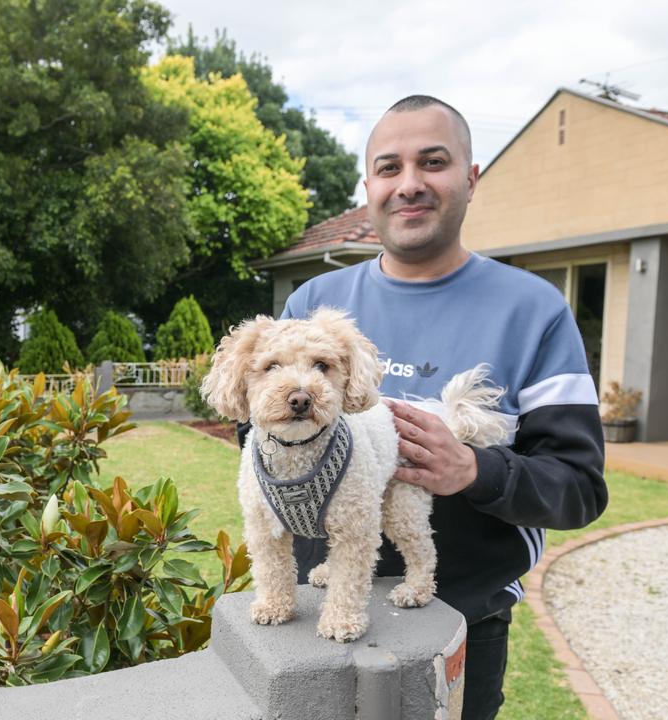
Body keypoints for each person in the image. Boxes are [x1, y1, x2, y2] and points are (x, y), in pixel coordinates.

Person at [241, 95, 607, 719]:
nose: (409, 184)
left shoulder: (533, 310)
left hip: (462, 621)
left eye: (432, 162)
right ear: (369, 185)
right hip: (313, 614)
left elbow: (578, 487)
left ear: (470, 176)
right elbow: (260, 428)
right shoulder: (313, 300)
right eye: (389, 167)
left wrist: (475, 470)